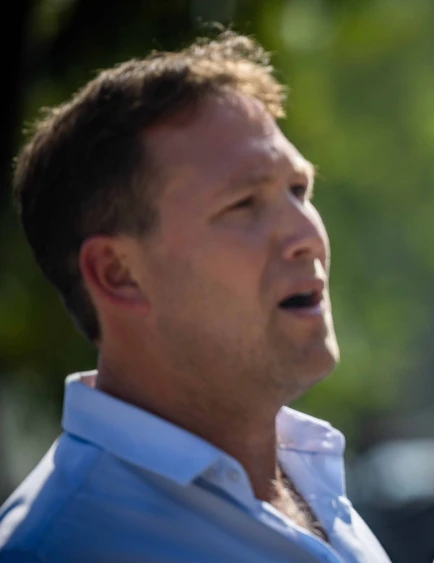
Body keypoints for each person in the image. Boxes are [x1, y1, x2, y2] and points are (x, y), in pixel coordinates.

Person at [0, 32, 389, 563]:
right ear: (118, 273)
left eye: (299, 190)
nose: (306, 237)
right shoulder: (60, 546)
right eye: (244, 203)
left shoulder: (308, 474)